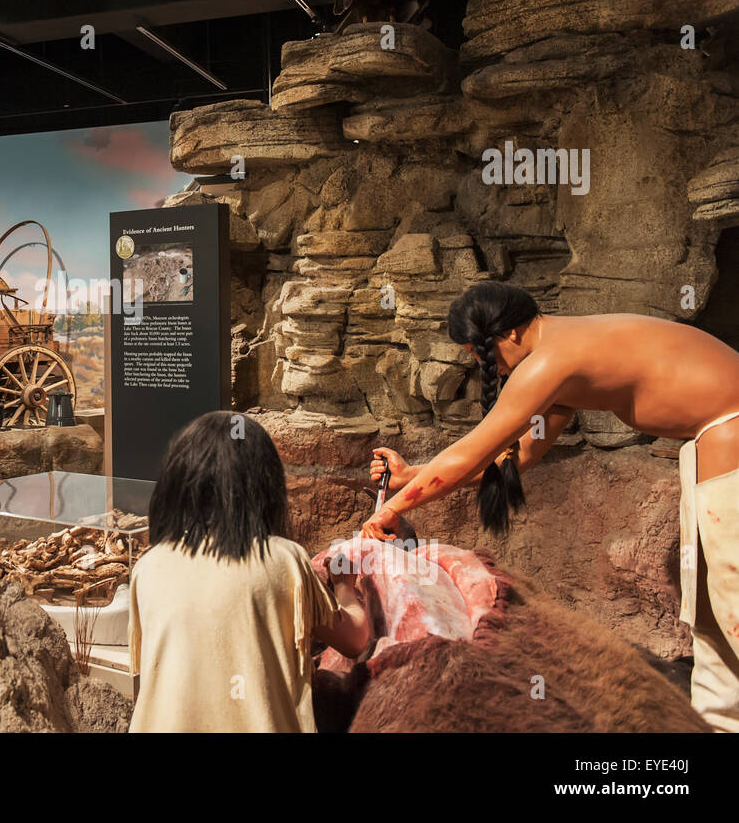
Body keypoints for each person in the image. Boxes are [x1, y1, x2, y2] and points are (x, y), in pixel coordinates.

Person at [360, 280, 739, 732]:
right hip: (710, 444)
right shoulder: (560, 358)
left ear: (510, 333)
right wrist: (410, 476)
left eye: (484, 354)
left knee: (732, 597)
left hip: (729, 430)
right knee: (709, 610)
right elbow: (517, 457)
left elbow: (470, 453)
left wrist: (392, 507)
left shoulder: (550, 361)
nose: (487, 366)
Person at [129, 410, 370, 733]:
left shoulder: (148, 567)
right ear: (263, 485)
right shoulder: (284, 560)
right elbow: (355, 638)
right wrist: (344, 586)